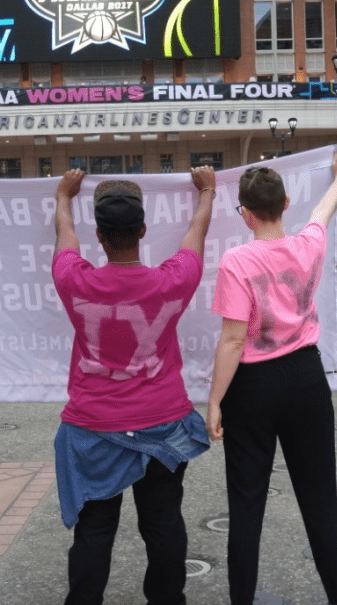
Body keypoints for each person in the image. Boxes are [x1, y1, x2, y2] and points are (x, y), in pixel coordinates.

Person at [52, 166, 217, 605]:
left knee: (94, 531)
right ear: (143, 230)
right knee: (163, 525)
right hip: (163, 423)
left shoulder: (74, 279)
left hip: (92, 429)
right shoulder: (172, 280)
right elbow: (195, 235)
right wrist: (208, 192)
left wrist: (63, 197)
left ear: (100, 236)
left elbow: (65, 233)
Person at [206, 152, 337, 605]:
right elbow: (323, 210)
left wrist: (214, 402)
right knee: (320, 501)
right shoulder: (309, 244)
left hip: (252, 388)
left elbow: (232, 341)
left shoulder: (237, 261)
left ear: (245, 213)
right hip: (307, 380)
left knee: (246, 506)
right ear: (285, 203)